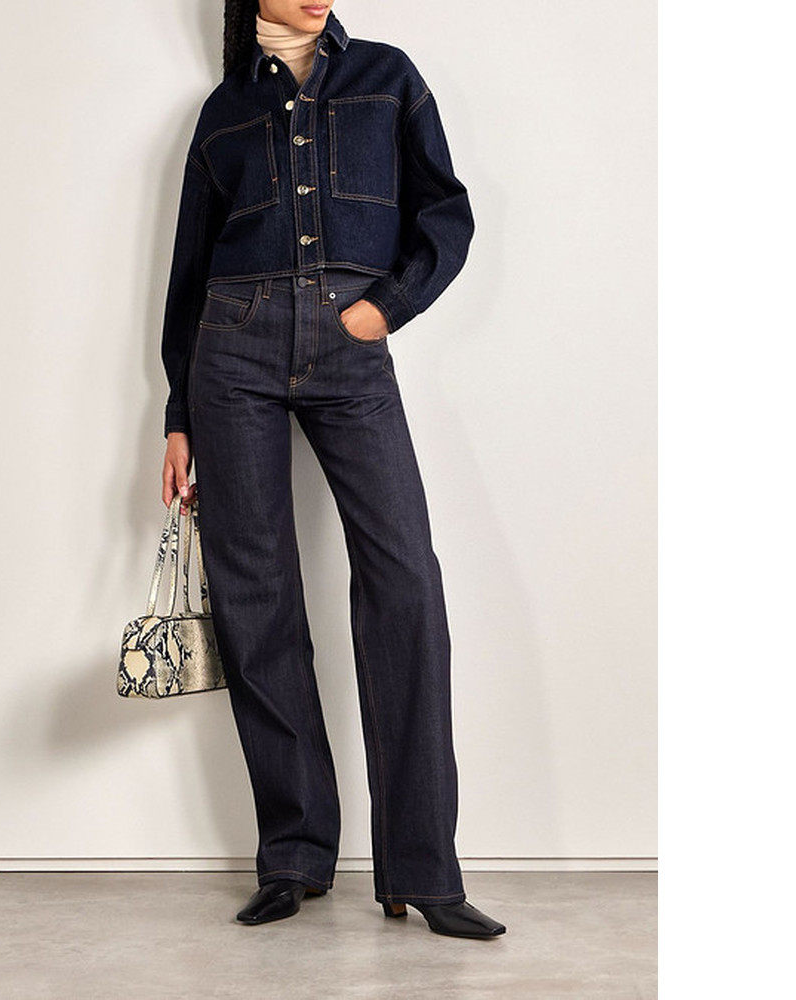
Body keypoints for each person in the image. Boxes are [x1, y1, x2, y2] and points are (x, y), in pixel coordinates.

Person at [158, 0, 506, 940]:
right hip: (232, 350)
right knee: (255, 593)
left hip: (352, 345)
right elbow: (189, 270)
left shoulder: (386, 76)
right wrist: (179, 412)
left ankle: (423, 871)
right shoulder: (225, 108)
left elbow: (446, 209)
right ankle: (296, 854)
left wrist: (386, 307)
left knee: (405, 580)